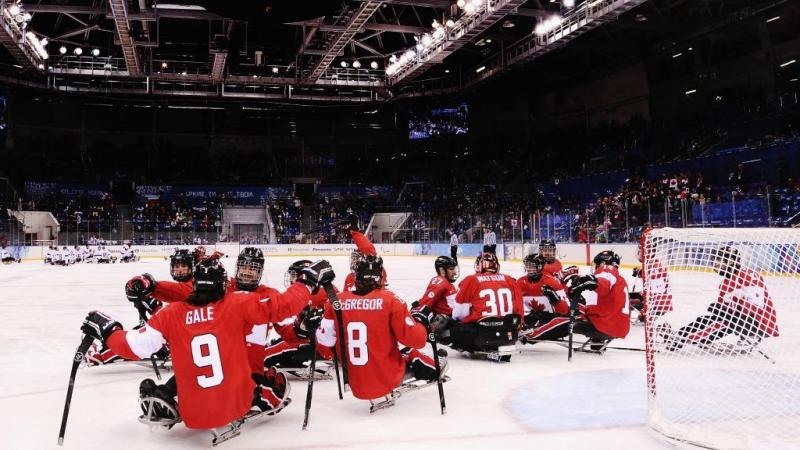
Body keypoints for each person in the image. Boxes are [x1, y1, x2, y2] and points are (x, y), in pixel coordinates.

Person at [80, 257, 334, 430]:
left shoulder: (173, 312)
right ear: (227, 280)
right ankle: (247, 398)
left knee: (189, 363)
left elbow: (135, 345)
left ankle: (168, 395)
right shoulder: (237, 302)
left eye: (252, 269)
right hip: (236, 388)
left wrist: (109, 330)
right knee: (276, 387)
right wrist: (307, 281)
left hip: (194, 406)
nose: (247, 273)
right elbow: (284, 308)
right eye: (243, 268)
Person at [314, 254, 445, 402]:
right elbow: (417, 340)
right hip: (386, 379)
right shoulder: (391, 300)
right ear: (380, 276)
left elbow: (324, 345)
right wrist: (422, 325)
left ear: (356, 276)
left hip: (353, 381)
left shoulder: (335, 301)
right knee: (411, 352)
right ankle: (437, 366)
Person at [665, 246, 778, 351]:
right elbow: (722, 312)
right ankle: (681, 334)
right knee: (705, 319)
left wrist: (727, 310)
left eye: (719, 260)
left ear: (730, 262)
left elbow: (756, 308)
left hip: (760, 323)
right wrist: (720, 309)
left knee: (723, 322)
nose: (716, 264)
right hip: (740, 319)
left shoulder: (749, 276)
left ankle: (683, 339)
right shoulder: (725, 283)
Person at [520, 251, 631, 347]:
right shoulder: (620, 280)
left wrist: (594, 282)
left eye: (597, 264)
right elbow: (600, 306)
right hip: (617, 327)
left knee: (564, 321)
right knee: (579, 311)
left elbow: (603, 284)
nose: (595, 267)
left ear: (602, 263)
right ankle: (597, 340)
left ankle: (530, 336)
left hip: (605, 325)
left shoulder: (607, 269)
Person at [449, 252, 523, 358]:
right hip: (510, 334)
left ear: (479, 266)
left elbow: (460, 313)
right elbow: (519, 309)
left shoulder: (471, 279)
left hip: (481, 334)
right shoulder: (510, 279)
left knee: (453, 326)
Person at [411, 256, 459, 343]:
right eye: (451, 269)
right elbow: (426, 302)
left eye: (454, 269)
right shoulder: (440, 281)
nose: (454, 272)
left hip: (454, 318)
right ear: (442, 270)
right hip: (448, 321)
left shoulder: (447, 283)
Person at [516, 253, 569, 331]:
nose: (529, 269)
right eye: (527, 266)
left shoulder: (552, 282)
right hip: (532, 318)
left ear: (540, 266)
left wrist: (555, 299)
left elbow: (565, 311)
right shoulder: (520, 282)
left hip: (551, 319)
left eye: (532, 266)